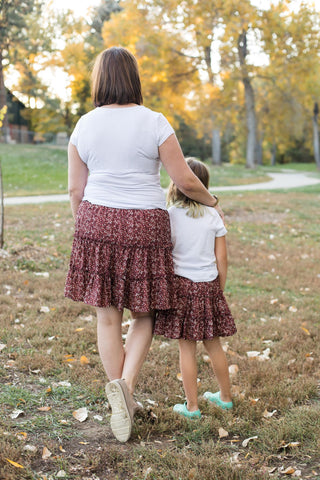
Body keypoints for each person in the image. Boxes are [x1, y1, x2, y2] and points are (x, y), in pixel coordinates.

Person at [64, 47, 222, 442]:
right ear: (134, 78)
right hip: (144, 224)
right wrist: (213, 202)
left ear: (100, 79)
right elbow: (184, 180)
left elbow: (74, 189)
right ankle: (127, 391)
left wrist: (85, 227)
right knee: (145, 315)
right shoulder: (154, 122)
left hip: (96, 218)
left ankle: (122, 395)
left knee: (106, 316)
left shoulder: (84, 124)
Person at [154, 158, 236, 419]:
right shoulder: (213, 216)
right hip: (209, 286)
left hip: (181, 289)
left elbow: (165, 254)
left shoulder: (170, 216)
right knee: (214, 345)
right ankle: (225, 398)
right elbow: (222, 258)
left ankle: (192, 407)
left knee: (186, 347)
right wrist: (218, 290)